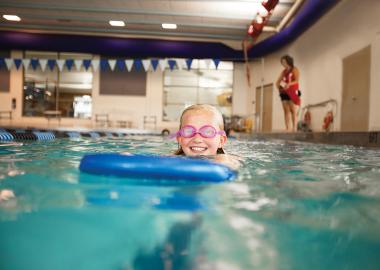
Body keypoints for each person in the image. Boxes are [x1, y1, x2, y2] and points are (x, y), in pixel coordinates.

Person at [174, 104, 241, 170]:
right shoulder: (173, 160)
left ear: (221, 141)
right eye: (188, 131)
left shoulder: (226, 161)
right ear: (179, 139)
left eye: (208, 132)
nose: (197, 139)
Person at [276, 55, 301, 132]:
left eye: (284, 62)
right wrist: (279, 88)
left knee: (292, 110)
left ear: (288, 61)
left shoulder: (294, 69)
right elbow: (277, 82)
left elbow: (296, 80)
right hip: (284, 92)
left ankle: (294, 127)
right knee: (285, 110)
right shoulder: (283, 72)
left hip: (292, 91)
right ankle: (287, 127)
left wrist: (289, 84)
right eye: (282, 62)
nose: (283, 63)